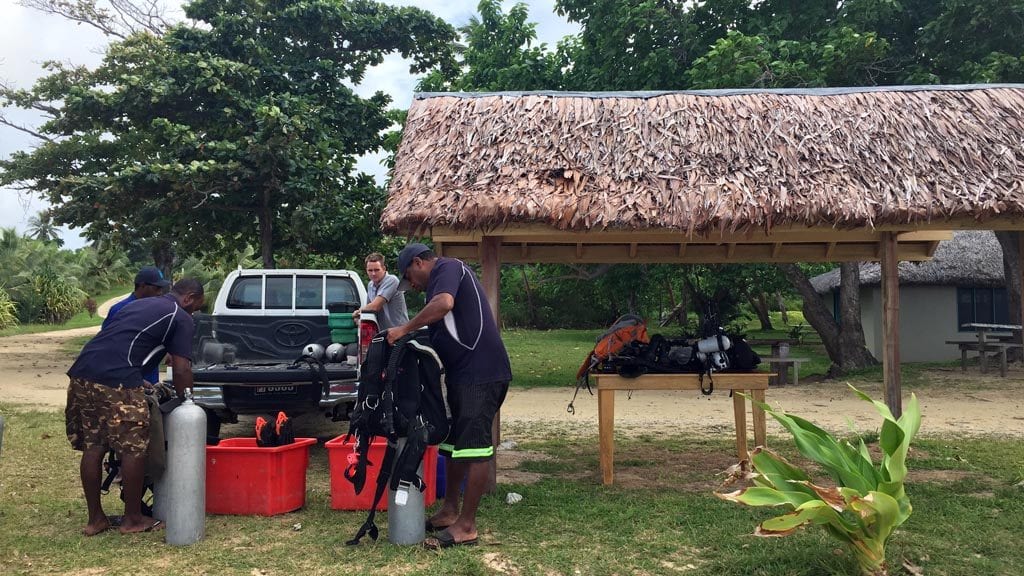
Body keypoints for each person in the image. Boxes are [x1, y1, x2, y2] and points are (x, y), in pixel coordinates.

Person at [387, 243, 512, 549]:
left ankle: (467, 526)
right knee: (452, 446)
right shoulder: (437, 283)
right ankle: (449, 510)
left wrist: (404, 328)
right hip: (462, 377)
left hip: (482, 375)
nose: (413, 285)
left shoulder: (448, 268)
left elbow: (444, 304)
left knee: (475, 448)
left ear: (419, 262)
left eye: (410, 277)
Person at [65, 278, 205, 536]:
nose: (194, 313)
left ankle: (96, 519)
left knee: (94, 445)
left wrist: (138, 381)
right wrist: (188, 402)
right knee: (134, 447)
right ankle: (133, 519)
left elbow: (117, 344)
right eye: (195, 307)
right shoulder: (180, 316)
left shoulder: (139, 304)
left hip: (82, 373)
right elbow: (182, 368)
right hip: (116, 379)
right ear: (189, 298)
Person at [102, 265, 171, 386]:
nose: (160, 292)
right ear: (143, 286)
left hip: (150, 376)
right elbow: (110, 347)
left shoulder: (156, 308)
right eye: (156, 288)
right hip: (127, 380)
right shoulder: (120, 310)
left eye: (161, 288)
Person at [353, 252, 409, 330]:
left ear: (384, 269)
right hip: (382, 333)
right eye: (370, 270)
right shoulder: (370, 285)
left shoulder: (392, 280)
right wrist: (359, 318)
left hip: (399, 332)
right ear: (366, 271)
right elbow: (369, 310)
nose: (373, 273)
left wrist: (358, 312)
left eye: (376, 270)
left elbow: (374, 306)